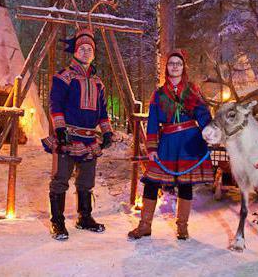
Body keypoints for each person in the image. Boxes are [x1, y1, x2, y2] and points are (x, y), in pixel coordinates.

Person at [128, 50, 214, 241]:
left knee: (186, 184)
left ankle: (182, 228)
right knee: (151, 182)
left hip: (189, 143)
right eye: (171, 63)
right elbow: (152, 123)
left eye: (178, 63)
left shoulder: (193, 90)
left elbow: (203, 116)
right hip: (167, 142)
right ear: (166, 68)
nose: (175, 66)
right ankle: (144, 226)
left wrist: (210, 132)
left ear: (183, 68)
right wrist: (151, 148)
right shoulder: (158, 94)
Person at [42, 28, 113, 241]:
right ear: (74, 51)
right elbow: (55, 105)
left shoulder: (98, 82)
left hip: (90, 140)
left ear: (94, 53)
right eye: (81, 48)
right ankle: (58, 222)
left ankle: (84, 218)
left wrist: (107, 132)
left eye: (88, 49)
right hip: (68, 138)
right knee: (61, 179)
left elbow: (102, 111)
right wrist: (60, 129)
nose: (85, 52)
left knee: (86, 181)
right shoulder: (63, 77)